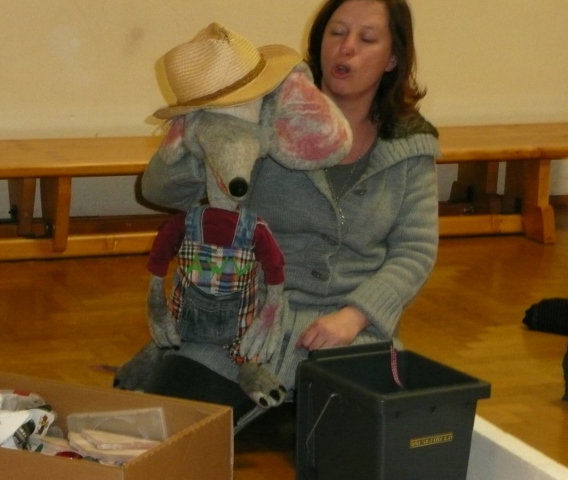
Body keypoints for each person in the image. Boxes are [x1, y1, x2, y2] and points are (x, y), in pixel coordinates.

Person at [126, 0, 440, 429]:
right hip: (244, 324)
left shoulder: (411, 144)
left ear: (392, 59)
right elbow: (160, 192)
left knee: (373, 449)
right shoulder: (266, 112)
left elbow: (415, 251)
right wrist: (194, 132)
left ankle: (290, 403)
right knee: (170, 426)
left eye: (366, 39)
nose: (346, 48)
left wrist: (354, 316)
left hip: (348, 334)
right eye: (336, 33)